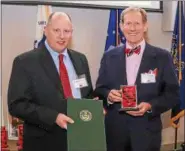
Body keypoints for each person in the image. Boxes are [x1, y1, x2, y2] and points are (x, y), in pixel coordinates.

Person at [94, 6, 180, 151]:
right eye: (128, 23)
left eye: (137, 23)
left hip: (147, 133)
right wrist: (108, 95)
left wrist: (150, 106)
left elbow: (173, 95)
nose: (132, 28)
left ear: (145, 26)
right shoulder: (109, 56)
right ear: (121, 26)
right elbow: (99, 89)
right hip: (115, 132)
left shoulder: (162, 57)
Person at [7, 12, 93, 151]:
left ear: (72, 33)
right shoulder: (25, 62)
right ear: (46, 30)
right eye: (56, 30)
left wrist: (94, 108)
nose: (62, 36)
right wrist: (54, 117)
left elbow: (87, 95)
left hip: (80, 139)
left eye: (66, 31)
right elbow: (16, 105)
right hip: (44, 142)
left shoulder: (81, 59)